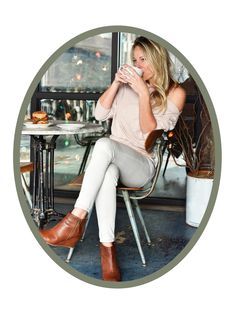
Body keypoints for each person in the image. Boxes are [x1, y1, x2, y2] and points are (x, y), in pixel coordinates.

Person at [39, 36, 186, 282]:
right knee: (106, 173)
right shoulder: (126, 86)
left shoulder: (175, 92)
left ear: (157, 59)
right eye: (135, 60)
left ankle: (73, 222)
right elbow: (99, 113)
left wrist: (142, 92)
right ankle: (108, 253)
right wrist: (117, 83)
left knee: (104, 144)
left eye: (143, 60)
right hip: (112, 159)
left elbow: (149, 130)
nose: (138, 64)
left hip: (140, 163)